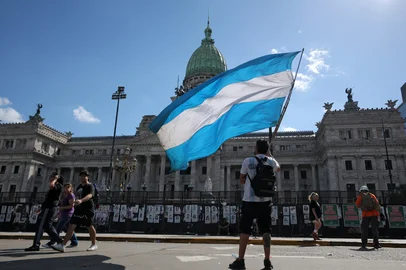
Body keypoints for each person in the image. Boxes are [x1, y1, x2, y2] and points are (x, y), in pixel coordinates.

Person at [229, 139, 280, 270]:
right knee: (266, 230)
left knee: (245, 230)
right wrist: (270, 155)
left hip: (249, 200)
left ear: (256, 148)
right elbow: (278, 168)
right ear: (267, 149)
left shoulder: (248, 161)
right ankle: (267, 261)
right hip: (265, 201)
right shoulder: (271, 161)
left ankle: (240, 261)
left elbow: (241, 179)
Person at [52, 170, 97, 252]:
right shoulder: (79, 186)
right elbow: (77, 195)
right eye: (81, 176)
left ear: (87, 177)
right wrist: (75, 201)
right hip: (79, 209)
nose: (82, 177)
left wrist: (81, 200)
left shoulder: (90, 186)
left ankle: (93, 244)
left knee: (89, 226)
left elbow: (90, 195)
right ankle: (63, 245)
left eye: (84, 176)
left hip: (87, 209)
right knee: (71, 226)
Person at [25, 172, 62, 251]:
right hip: (47, 207)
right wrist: (41, 207)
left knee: (41, 225)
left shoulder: (58, 186)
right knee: (47, 226)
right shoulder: (53, 187)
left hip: (49, 208)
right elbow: (48, 199)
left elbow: (51, 186)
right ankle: (58, 239)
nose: (50, 178)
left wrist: (54, 179)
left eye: (52, 177)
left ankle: (36, 244)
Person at [43, 182, 79, 248]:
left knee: (57, 229)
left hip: (68, 214)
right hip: (64, 214)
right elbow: (62, 207)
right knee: (68, 229)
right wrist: (58, 214)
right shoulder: (66, 195)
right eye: (65, 187)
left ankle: (51, 242)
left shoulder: (71, 195)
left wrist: (62, 208)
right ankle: (74, 241)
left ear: (71, 188)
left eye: (68, 187)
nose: (66, 189)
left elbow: (71, 205)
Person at [355, 185, 381, 250]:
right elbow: (377, 203)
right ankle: (376, 244)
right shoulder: (372, 195)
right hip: (374, 214)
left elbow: (357, 205)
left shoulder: (360, 196)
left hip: (365, 214)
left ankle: (364, 245)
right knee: (375, 230)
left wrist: (362, 206)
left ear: (361, 191)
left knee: (364, 230)